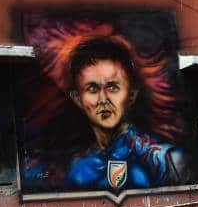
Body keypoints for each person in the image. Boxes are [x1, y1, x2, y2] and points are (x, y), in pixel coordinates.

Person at [64, 37, 187, 191]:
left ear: (132, 94)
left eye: (113, 87)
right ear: (78, 99)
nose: (103, 99)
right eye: (92, 89)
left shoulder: (166, 160)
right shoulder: (78, 170)